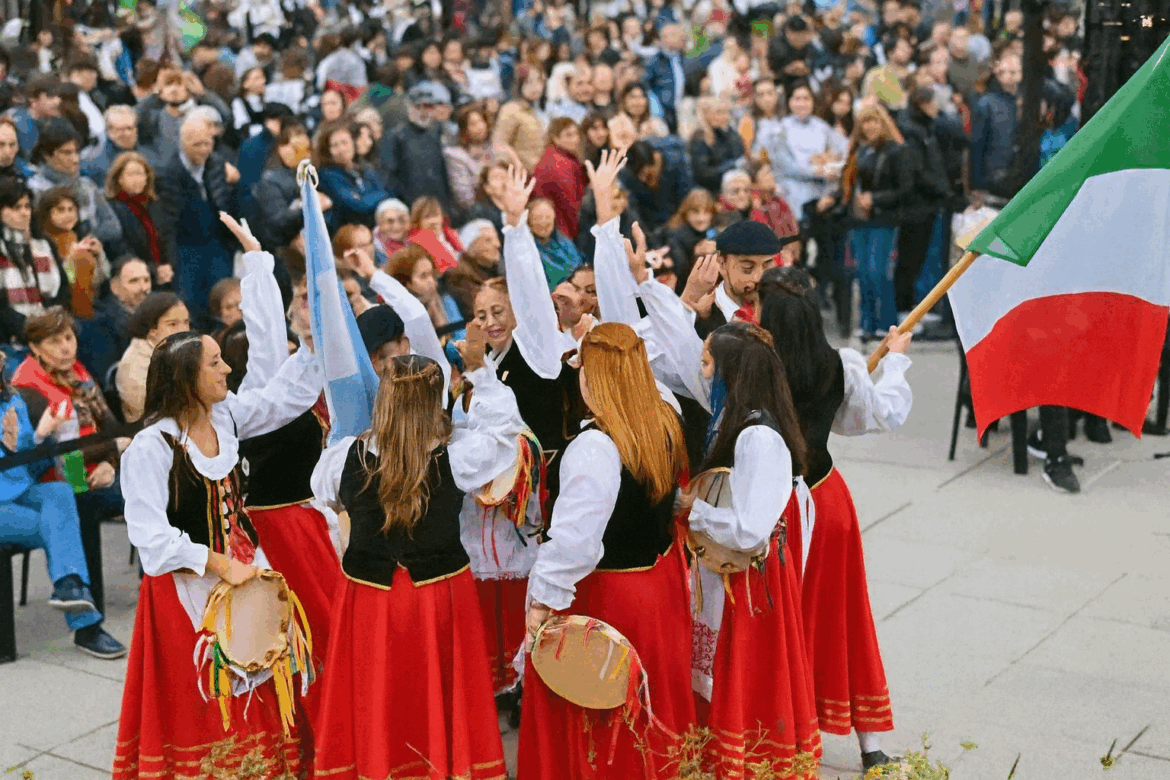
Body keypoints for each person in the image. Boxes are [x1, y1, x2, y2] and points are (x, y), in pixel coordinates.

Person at [113, 286, 323, 778]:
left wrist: (312, 341)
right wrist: (222, 564)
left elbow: (283, 397)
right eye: (214, 363)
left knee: (264, 667)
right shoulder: (153, 446)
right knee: (209, 696)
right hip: (188, 588)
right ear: (187, 379)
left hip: (246, 571)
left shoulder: (225, 417)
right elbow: (151, 538)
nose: (227, 369)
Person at [309, 342, 515, 780]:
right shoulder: (458, 457)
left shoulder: (343, 456)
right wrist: (482, 374)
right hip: (438, 596)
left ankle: (378, 766)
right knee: (436, 694)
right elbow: (505, 437)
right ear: (435, 400)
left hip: (369, 597)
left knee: (376, 693)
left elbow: (327, 500)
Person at [516, 321, 696, 778]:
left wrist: (541, 602)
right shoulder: (662, 418)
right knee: (642, 712)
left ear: (593, 379)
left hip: (606, 600)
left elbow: (577, 544)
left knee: (597, 715)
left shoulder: (595, 446)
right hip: (656, 589)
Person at [757, 267, 913, 770]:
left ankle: (781, 732)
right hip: (826, 504)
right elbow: (870, 419)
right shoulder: (841, 363)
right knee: (843, 617)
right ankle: (871, 747)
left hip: (768, 508)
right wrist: (896, 364)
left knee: (776, 624)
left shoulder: (751, 365)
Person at [214, 218, 343, 732]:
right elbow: (270, 349)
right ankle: (303, 733)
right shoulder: (243, 410)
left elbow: (272, 344)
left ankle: (334, 729)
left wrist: (258, 262)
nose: (224, 369)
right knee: (288, 639)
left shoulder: (271, 391)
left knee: (322, 631)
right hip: (269, 536)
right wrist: (259, 268)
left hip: (304, 528)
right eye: (216, 362)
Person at [11, 307, 128, 658]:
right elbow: (56, 455)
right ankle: (85, 619)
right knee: (77, 501)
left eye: (69, 338)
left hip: (83, 471)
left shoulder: (77, 373)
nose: (66, 347)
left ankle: (75, 593)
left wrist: (109, 462)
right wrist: (111, 453)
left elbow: (112, 426)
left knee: (159, 488)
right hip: (57, 474)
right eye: (54, 341)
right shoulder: (27, 387)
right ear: (34, 346)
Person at [838, 104, 913, 341]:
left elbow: (905, 188)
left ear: (883, 123)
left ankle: (887, 322)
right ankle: (866, 323)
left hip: (884, 218)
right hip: (859, 219)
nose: (870, 126)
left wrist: (876, 198)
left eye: (874, 121)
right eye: (865, 122)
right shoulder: (858, 152)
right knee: (862, 272)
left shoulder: (896, 151)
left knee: (877, 271)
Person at [153, 114, 237, 317]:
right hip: (186, 250)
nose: (204, 150)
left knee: (223, 302)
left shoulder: (216, 164)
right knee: (193, 307)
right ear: (183, 144)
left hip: (217, 246)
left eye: (208, 144)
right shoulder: (168, 173)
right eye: (197, 144)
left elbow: (225, 203)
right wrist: (173, 261)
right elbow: (167, 224)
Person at [681, 220, 790, 334]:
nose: (758, 278)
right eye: (747, 268)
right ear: (721, 263)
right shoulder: (698, 314)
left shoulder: (784, 307)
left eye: (767, 266)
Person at [28, 120, 123, 247]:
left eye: (76, 152)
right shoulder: (35, 189)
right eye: (67, 153)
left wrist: (89, 238)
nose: (75, 159)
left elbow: (113, 227)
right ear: (47, 155)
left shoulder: (86, 185)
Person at [0, 180, 70, 345]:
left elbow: (63, 290)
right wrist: (32, 329)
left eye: (27, 206)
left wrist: (53, 322)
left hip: (51, 326)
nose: (25, 213)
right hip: (11, 336)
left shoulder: (43, 244)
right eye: (16, 208)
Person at [32, 186, 108, 318]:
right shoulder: (41, 244)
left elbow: (99, 281)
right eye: (60, 210)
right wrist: (70, 261)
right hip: (61, 312)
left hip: (92, 308)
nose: (68, 215)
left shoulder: (75, 238)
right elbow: (56, 285)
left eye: (71, 209)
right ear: (46, 213)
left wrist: (99, 256)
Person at [116, 292, 190, 423]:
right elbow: (157, 414)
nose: (183, 330)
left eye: (186, 322)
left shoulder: (176, 352)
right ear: (152, 331)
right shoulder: (133, 366)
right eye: (173, 324)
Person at [78, 256, 152, 385]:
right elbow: (109, 380)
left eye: (146, 280)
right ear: (114, 287)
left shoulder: (156, 315)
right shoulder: (99, 325)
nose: (144, 288)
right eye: (134, 281)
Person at [384, 82, 455, 213]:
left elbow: (442, 172)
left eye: (428, 106)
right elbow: (390, 176)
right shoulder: (396, 136)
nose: (423, 111)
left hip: (438, 205)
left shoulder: (436, 133)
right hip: (411, 207)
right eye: (418, 106)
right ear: (410, 107)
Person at [316, 119, 391, 232]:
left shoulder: (364, 169)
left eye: (344, 142)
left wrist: (366, 197)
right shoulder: (327, 175)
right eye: (335, 145)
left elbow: (385, 193)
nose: (341, 149)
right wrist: (379, 195)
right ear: (328, 150)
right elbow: (358, 205)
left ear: (353, 143)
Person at [105, 151, 170, 282]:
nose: (137, 179)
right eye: (131, 174)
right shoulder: (112, 208)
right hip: (134, 277)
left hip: (164, 274)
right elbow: (119, 248)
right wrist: (152, 271)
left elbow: (168, 237)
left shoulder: (155, 204)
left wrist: (168, 266)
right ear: (119, 178)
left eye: (140, 174)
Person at [387, 243, 465, 341]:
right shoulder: (399, 316)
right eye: (423, 276)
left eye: (432, 273)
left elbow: (462, 335)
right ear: (405, 283)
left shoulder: (444, 298)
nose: (432, 281)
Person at [531, 116, 587, 240]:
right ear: (555, 138)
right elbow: (571, 206)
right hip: (561, 231)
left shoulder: (554, 156)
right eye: (569, 135)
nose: (575, 139)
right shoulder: (559, 164)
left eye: (576, 134)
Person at [657, 188, 719, 293]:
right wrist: (694, 254)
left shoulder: (712, 233)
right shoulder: (673, 236)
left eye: (706, 212)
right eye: (696, 212)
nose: (701, 218)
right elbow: (680, 274)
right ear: (685, 213)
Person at [493, 64, 548, 173]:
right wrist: (517, 163)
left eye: (539, 82)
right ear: (519, 83)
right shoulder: (510, 109)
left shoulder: (543, 110)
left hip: (542, 172)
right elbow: (500, 144)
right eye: (529, 82)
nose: (535, 87)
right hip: (521, 173)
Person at [444, 219, 500, 320]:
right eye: (488, 240)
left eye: (496, 238)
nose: (497, 244)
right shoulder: (459, 277)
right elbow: (484, 313)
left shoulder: (497, 268)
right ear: (470, 246)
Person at [690, 97, 746, 195]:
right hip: (711, 191)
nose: (725, 117)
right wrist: (732, 165)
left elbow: (739, 155)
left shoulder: (726, 132)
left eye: (727, 113)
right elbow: (703, 175)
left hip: (732, 186)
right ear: (705, 114)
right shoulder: (699, 139)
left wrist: (728, 130)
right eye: (719, 112)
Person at [81, 105, 147, 188]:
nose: (127, 134)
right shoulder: (95, 163)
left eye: (130, 128)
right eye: (121, 130)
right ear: (109, 131)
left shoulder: (147, 152)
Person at [527, 198, 583, 290]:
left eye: (548, 217)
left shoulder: (563, 242)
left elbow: (579, 265)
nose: (544, 222)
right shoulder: (527, 250)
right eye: (538, 218)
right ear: (529, 221)